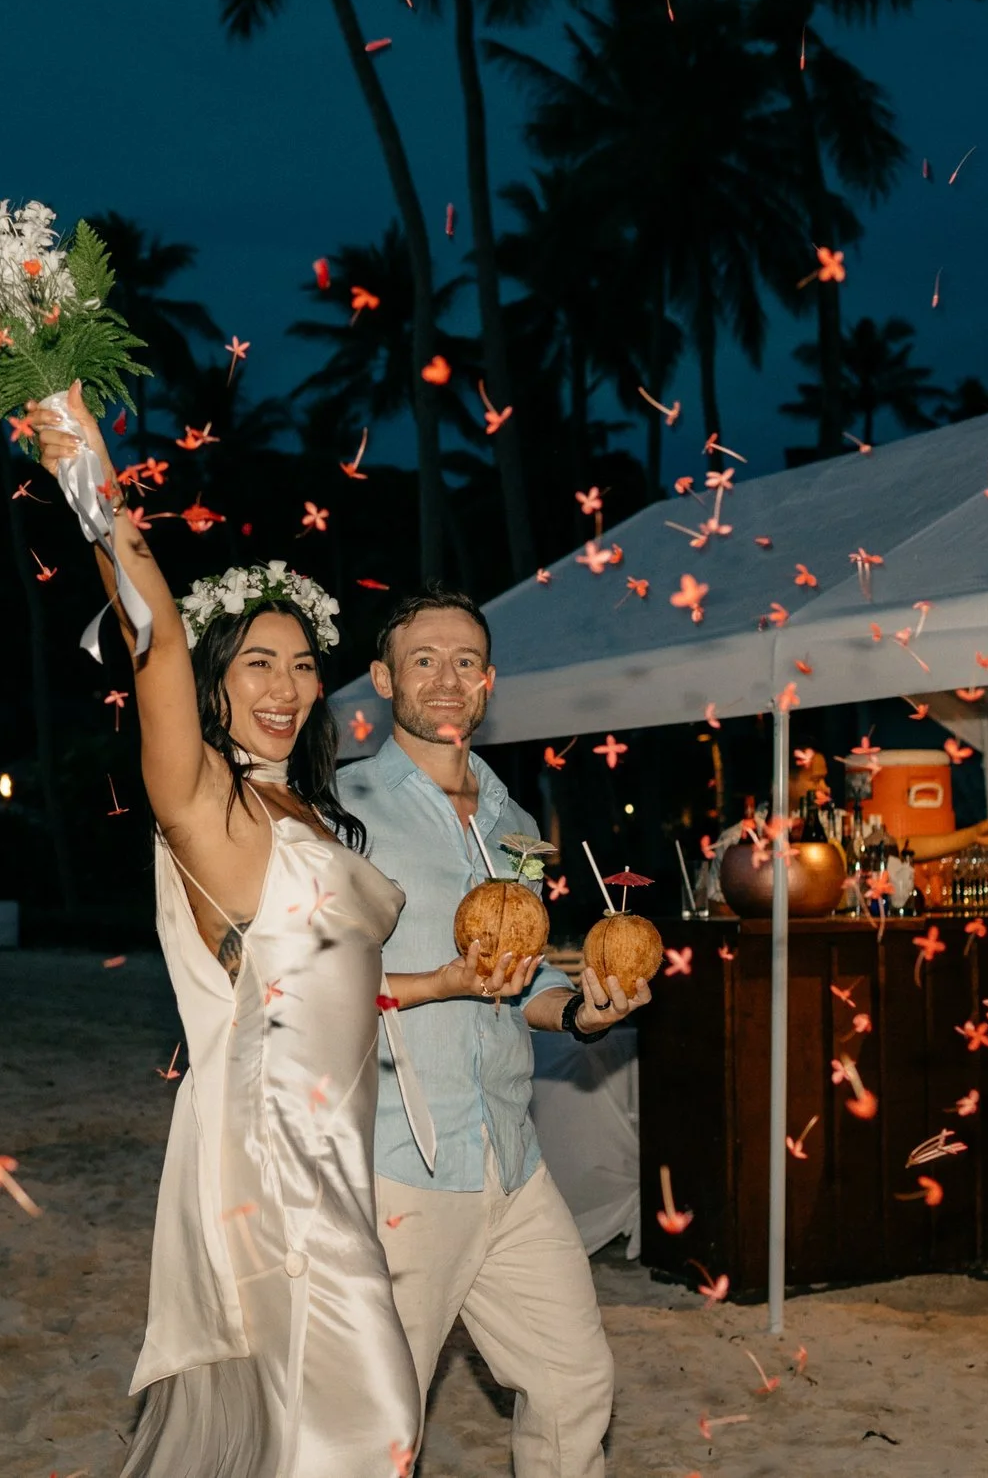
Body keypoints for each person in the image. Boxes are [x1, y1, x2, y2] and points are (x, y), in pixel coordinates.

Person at [32, 391, 417, 1478]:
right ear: (213, 678)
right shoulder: (207, 803)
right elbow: (149, 638)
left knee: (323, 1422)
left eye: (301, 664)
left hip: (340, 1151)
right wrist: (90, 468)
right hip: (275, 1151)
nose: (287, 686)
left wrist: (466, 978)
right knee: (372, 1421)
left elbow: (345, 979)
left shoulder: (312, 813)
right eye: (256, 661)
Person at [340, 585, 649, 1478]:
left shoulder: (515, 821)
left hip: (510, 1157)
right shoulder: (344, 808)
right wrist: (442, 980)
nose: (446, 678)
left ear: (489, 683)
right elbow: (316, 982)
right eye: (423, 660)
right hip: (403, 1155)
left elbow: (522, 986)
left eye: (465, 661)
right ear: (381, 678)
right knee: (380, 1417)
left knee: (574, 1378)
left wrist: (584, 1008)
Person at [701, 747, 988, 909]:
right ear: (780, 782)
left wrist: (970, 835)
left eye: (825, 779)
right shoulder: (739, 838)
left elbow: (898, 844)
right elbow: (720, 911)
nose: (826, 788)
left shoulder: (836, 823)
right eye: (815, 780)